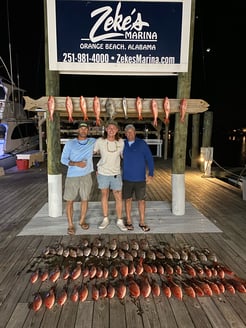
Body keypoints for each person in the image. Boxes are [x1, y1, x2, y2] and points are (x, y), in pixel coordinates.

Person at [61, 121, 96, 235]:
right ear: (77, 130)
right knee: (69, 201)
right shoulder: (70, 143)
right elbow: (63, 159)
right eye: (81, 128)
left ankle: (82, 221)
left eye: (85, 129)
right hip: (72, 176)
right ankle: (70, 224)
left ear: (88, 131)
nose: (83, 130)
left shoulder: (92, 141)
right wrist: (76, 164)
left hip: (86, 175)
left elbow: (106, 141)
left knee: (84, 199)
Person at [93, 120, 127, 231]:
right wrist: (93, 168)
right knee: (104, 195)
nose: (111, 130)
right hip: (103, 172)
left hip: (116, 173)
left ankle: (120, 220)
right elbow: (91, 153)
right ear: (106, 129)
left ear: (117, 130)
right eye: (109, 128)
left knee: (118, 196)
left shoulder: (121, 142)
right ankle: (105, 218)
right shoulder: (100, 141)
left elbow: (125, 157)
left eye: (114, 128)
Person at [122, 124, 154, 232]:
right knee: (128, 200)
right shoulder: (122, 144)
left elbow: (149, 159)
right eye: (127, 132)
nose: (129, 134)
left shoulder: (142, 144)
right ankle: (129, 221)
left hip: (140, 178)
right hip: (127, 178)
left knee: (141, 201)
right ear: (125, 134)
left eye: (131, 132)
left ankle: (142, 221)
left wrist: (151, 174)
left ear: (135, 132)